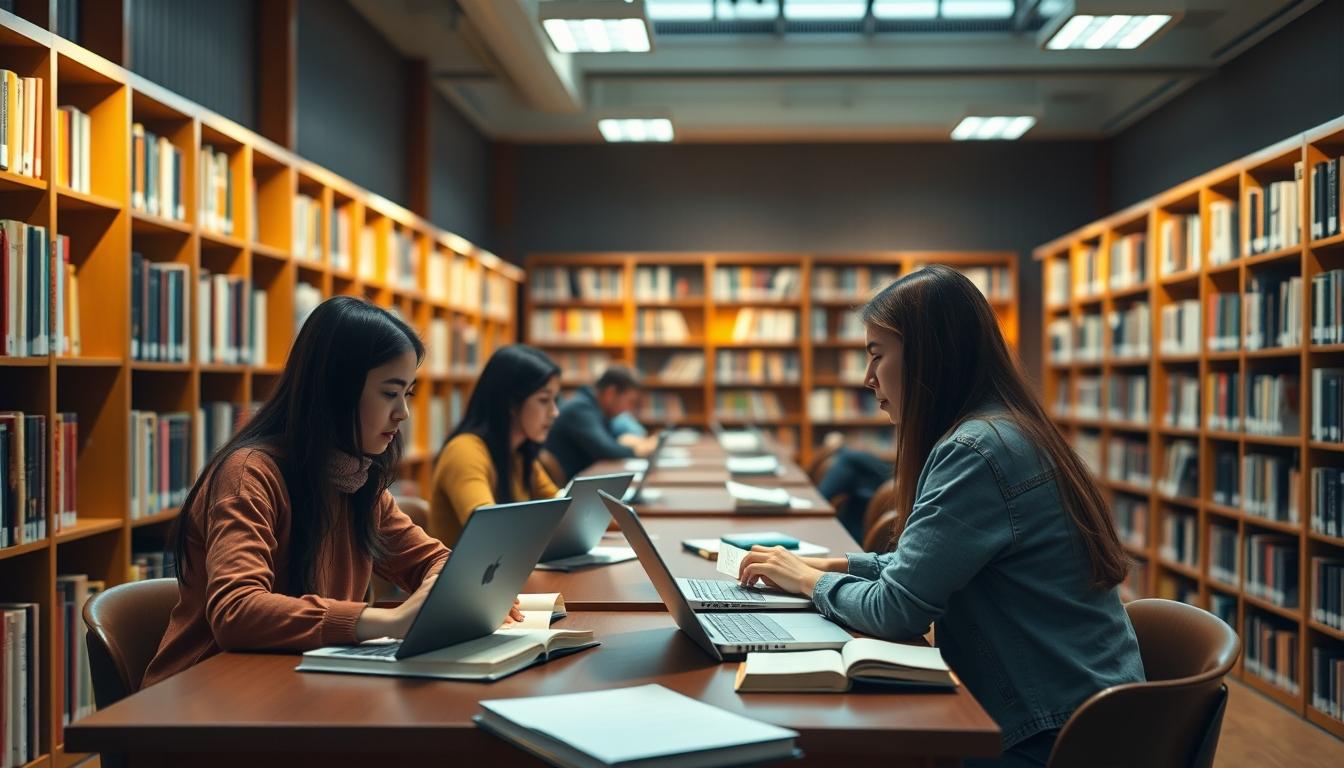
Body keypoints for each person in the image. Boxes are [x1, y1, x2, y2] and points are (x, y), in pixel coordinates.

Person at [737, 265, 1144, 767]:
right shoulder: (1005, 430)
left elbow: (896, 610)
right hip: (1080, 718)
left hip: (1051, 740)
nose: (868, 378)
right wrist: (836, 566)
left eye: (876, 355)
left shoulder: (977, 450)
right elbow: (931, 564)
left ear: (928, 357)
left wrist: (807, 584)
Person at [145, 297, 523, 687]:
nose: (402, 414)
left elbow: (434, 559)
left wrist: (443, 592)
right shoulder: (249, 473)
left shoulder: (355, 477)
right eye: (389, 393)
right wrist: (390, 621)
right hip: (204, 700)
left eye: (407, 394)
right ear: (335, 390)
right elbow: (237, 611)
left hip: (292, 686)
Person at [430, 344, 562, 547]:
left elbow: (561, 510)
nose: (555, 412)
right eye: (544, 400)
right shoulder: (464, 451)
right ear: (510, 403)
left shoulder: (519, 453)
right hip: (468, 576)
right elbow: (488, 529)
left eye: (555, 400)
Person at [543, 365, 658, 482]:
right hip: (572, 491)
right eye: (630, 401)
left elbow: (613, 442)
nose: (628, 409)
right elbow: (607, 450)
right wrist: (638, 450)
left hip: (587, 482)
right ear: (610, 393)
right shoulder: (580, 409)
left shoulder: (595, 409)